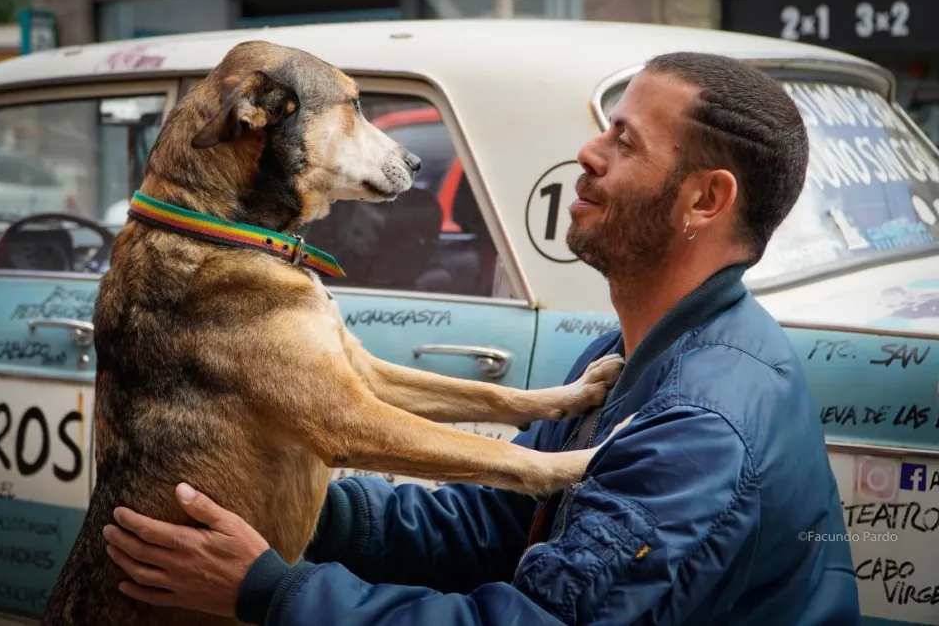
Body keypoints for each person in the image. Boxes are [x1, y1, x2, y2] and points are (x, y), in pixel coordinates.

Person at [101, 52, 860, 625]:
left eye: (625, 144)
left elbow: (545, 620)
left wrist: (270, 590)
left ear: (704, 199)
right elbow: (498, 526)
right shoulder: (620, 356)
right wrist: (295, 504)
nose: (588, 153)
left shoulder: (703, 426)